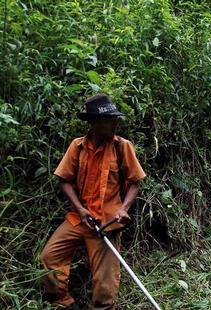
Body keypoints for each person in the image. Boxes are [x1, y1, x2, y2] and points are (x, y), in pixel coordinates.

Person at [40, 94, 146, 308]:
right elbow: (64, 180)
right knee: (50, 256)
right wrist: (79, 209)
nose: (116, 124)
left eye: (116, 119)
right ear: (95, 122)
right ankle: (62, 302)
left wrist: (123, 209)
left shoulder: (122, 147)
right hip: (79, 219)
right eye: (110, 120)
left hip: (106, 223)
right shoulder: (77, 147)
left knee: (105, 285)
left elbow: (135, 182)